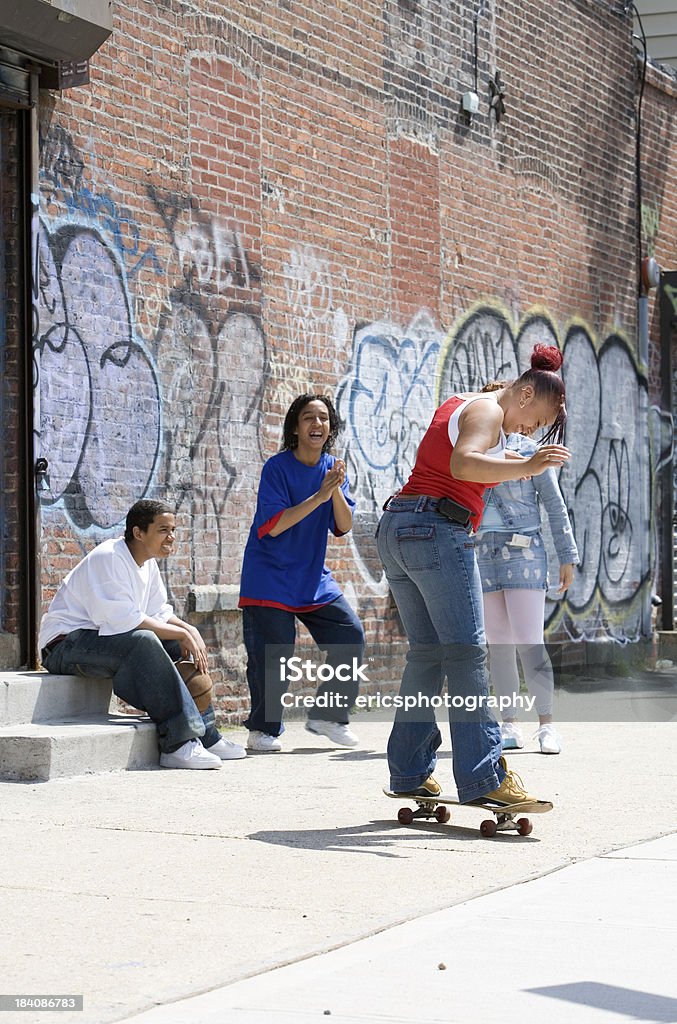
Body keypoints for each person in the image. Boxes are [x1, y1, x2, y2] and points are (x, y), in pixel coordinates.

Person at [376, 344, 569, 805]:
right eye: (537, 419)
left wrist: (516, 462)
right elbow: (463, 463)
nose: (532, 431)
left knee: (427, 655)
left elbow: (458, 462)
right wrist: (526, 465)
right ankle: (485, 778)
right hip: (436, 528)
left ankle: (409, 772)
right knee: (467, 654)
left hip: (401, 526)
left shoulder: (463, 402)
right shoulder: (485, 410)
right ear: (524, 395)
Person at [39, 499, 246, 769]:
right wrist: (181, 634)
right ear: (138, 532)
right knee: (145, 640)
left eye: (173, 530)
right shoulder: (109, 557)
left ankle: (207, 735)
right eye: (163, 530)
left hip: (100, 642)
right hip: (64, 647)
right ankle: (177, 744)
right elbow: (124, 621)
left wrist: (188, 630)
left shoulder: (147, 563)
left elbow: (158, 611)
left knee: (175, 640)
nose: (171, 537)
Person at [239, 393, 365, 752]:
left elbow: (344, 524)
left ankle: (328, 716)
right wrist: (319, 496)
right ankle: (263, 730)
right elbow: (275, 525)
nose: (317, 424)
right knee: (275, 655)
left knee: (349, 634)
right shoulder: (276, 468)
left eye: (324, 418)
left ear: (331, 428)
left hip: (312, 578)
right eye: (309, 417)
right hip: (269, 577)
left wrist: (334, 489)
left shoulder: (332, 469)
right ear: (295, 427)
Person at [476, 428, 579, 754]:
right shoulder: (472, 447)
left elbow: (554, 503)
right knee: (500, 645)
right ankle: (509, 723)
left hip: (525, 553)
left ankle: (547, 725)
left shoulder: (528, 449)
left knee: (529, 642)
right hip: (481, 553)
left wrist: (567, 555)